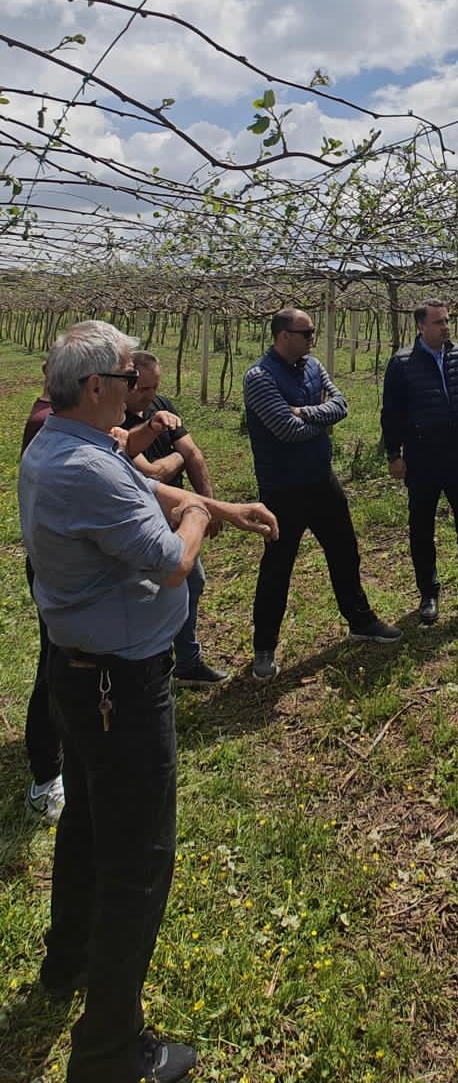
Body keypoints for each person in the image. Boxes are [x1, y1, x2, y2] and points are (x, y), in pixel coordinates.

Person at [18, 320, 278, 1083]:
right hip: (119, 688)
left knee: (87, 825)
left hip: (80, 675)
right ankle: (109, 1052)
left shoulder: (64, 442)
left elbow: (139, 485)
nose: (139, 389)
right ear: (97, 385)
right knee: (138, 859)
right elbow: (169, 564)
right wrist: (198, 519)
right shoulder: (84, 465)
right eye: (130, 378)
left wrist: (220, 505)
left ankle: (67, 961)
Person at [245, 308, 401, 681]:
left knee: (345, 551)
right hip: (282, 488)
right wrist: (321, 419)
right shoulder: (259, 377)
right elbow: (286, 430)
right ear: (284, 336)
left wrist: (304, 412)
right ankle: (264, 646)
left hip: (321, 479)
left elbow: (341, 405)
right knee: (277, 567)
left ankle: (360, 620)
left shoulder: (313, 366)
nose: (313, 338)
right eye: (307, 332)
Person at [381, 299, 458, 625]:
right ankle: (429, 593)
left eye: (447, 320)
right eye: (438, 322)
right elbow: (391, 413)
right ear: (421, 326)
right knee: (422, 527)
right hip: (422, 456)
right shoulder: (402, 362)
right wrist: (394, 454)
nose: (446, 326)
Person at [121, 350, 229, 687]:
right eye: (143, 389)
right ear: (125, 383)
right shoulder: (115, 421)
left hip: (177, 518)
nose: (150, 396)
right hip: (143, 522)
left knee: (191, 582)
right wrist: (178, 458)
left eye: (155, 387)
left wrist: (210, 504)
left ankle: (182, 660)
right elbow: (152, 473)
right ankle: (159, 662)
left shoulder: (162, 408)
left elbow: (193, 453)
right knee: (152, 592)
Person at [20, 372, 63, 823]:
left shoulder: (49, 418)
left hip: (53, 561)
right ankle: (45, 776)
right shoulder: (47, 423)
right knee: (54, 665)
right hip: (56, 566)